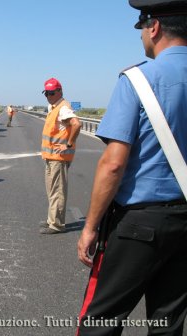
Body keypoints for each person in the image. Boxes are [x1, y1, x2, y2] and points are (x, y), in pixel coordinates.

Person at [77, 1, 187, 335]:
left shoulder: (138, 79)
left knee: (101, 321)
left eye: (141, 29)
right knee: (168, 324)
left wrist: (91, 226)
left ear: (153, 28)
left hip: (140, 224)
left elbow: (113, 164)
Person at [40, 78, 81, 234]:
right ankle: (52, 220)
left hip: (59, 158)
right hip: (51, 157)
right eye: (46, 93)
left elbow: (77, 124)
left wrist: (68, 144)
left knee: (57, 191)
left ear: (59, 92)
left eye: (51, 93)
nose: (49, 96)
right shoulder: (54, 107)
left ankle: (57, 224)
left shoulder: (63, 108)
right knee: (52, 190)